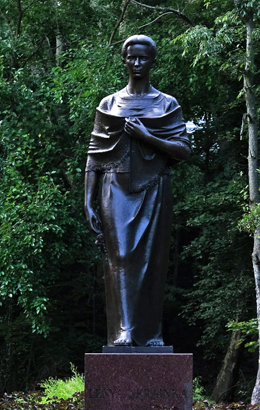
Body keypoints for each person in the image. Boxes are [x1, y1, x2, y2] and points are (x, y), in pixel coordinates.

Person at [84, 35, 191, 347]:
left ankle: (151, 334)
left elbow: (183, 151)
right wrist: (87, 201)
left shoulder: (166, 104)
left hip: (155, 188)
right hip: (114, 186)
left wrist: (147, 136)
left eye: (144, 58)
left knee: (153, 259)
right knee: (121, 256)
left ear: (152, 60)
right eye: (132, 57)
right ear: (125, 60)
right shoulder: (109, 104)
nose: (138, 63)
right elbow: (94, 157)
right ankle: (124, 331)